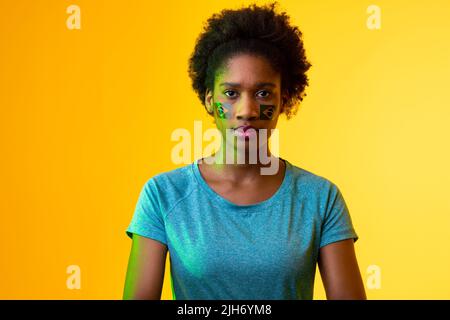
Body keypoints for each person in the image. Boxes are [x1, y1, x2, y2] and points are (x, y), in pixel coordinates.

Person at [123, 2, 366, 300]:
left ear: (283, 100)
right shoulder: (164, 195)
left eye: (263, 93)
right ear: (210, 100)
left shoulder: (320, 198)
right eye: (231, 93)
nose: (247, 110)